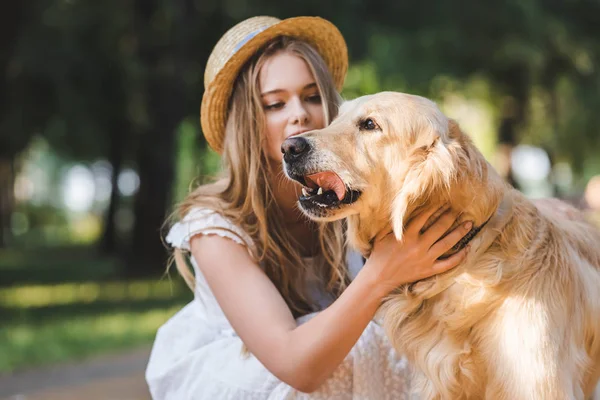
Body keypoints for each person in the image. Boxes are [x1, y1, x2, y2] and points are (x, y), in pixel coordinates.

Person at [145, 16, 471, 399]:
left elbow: (454, 211)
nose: (298, 113)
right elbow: (297, 366)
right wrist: (383, 269)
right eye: (275, 103)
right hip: (262, 377)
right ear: (246, 122)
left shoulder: (358, 191)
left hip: (337, 364)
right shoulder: (214, 227)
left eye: (313, 96)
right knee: (350, 356)